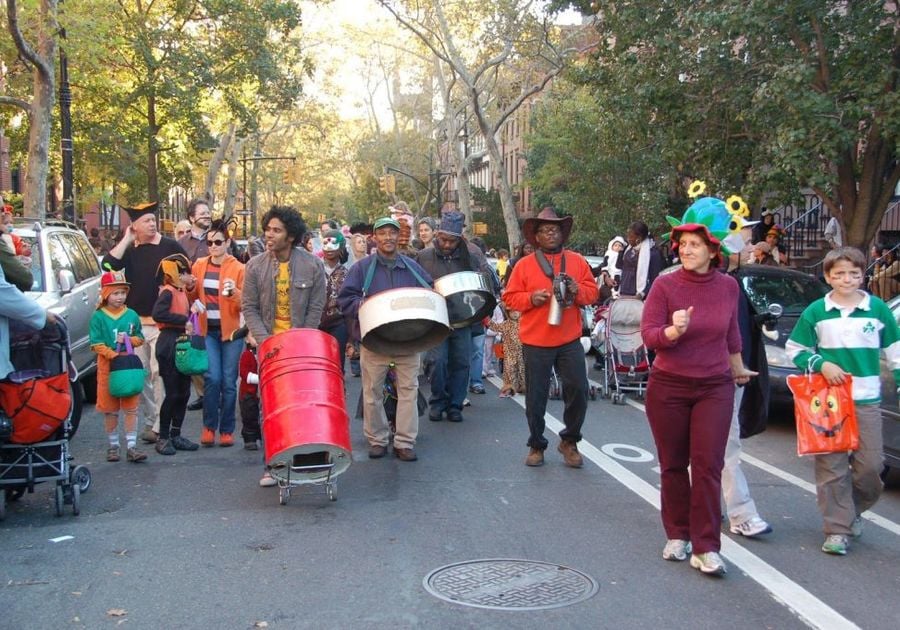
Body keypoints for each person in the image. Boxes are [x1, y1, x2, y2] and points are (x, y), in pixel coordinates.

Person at [640, 222, 756, 577]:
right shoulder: (665, 284)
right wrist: (674, 331)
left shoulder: (728, 287)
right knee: (673, 464)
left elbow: (732, 333)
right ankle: (677, 534)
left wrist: (738, 368)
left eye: (694, 245)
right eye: (683, 244)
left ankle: (706, 547)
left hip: (714, 387)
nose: (686, 250)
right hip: (669, 386)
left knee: (707, 466)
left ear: (712, 250)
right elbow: (649, 334)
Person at [785, 246, 900, 556]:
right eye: (839, 274)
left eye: (853, 273)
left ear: (862, 275)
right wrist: (822, 364)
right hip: (828, 402)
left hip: (866, 400)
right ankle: (837, 529)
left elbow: (895, 350)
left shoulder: (877, 310)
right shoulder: (816, 311)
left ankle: (851, 511)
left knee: (871, 468)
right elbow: (795, 349)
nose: (847, 279)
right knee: (832, 468)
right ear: (828, 276)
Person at [503, 207, 599, 467]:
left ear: (562, 234)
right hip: (536, 340)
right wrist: (531, 299)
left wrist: (577, 290)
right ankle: (536, 444)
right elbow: (509, 298)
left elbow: (593, 295)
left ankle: (569, 440)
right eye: (545, 230)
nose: (551, 234)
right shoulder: (524, 265)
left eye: (555, 229)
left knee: (579, 389)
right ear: (536, 237)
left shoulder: (577, 261)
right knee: (536, 396)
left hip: (569, 339)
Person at [242, 206, 326, 485]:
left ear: (290, 236)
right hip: (269, 349)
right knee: (271, 408)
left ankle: (307, 463)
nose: (269, 235)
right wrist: (266, 342)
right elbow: (249, 307)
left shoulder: (313, 265)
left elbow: (316, 307)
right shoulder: (254, 266)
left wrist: (302, 340)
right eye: (267, 229)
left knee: (304, 406)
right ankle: (273, 463)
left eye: (276, 230)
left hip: (301, 348)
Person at [338, 217, 433, 461]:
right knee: (372, 392)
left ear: (398, 237)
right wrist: (365, 305)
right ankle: (377, 439)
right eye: (383, 233)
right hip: (375, 340)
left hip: (408, 340)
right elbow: (345, 300)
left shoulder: (411, 266)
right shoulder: (361, 268)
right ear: (375, 238)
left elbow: (430, 292)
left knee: (408, 391)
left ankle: (404, 441)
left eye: (392, 233)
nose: (388, 237)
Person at [102, 202, 188, 444]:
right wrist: (127, 239)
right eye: (146, 221)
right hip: (135, 324)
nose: (152, 224)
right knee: (142, 376)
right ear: (134, 226)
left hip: (162, 324)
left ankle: (161, 425)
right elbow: (107, 265)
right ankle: (152, 419)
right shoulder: (129, 249)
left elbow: (187, 275)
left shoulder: (170, 246)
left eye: (153, 219)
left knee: (160, 373)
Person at [416, 211, 494, 422]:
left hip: (463, 317)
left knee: (461, 363)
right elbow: (416, 285)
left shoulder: (471, 256)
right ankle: (438, 401)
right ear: (437, 235)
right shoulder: (424, 257)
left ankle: (455, 405)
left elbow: (487, 281)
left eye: (452, 240)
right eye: (443, 239)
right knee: (438, 362)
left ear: (459, 239)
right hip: (436, 319)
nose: (447, 244)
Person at [187, 219, 245, 448]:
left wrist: (235, 293)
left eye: (218, 242)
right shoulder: (199, 265)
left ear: (228, 242)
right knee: (212, 379)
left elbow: (246, 303)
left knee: (229, 382)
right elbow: (191, 298)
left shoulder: (239, 268)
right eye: (210, 242)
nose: (213, 246)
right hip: (207, 331)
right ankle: (209, 426)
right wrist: (190, 288)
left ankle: (227, 429)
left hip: (231, 333)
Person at [89, 270, 147, 463]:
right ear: (105, 294)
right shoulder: (98, 316)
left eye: (123, 292)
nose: (120, 297)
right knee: (110, 408)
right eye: (115, 293)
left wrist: (129, 340)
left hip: (128, 364)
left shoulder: (131, 314)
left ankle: (132, 446)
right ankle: (113, 445)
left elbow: (140, 337)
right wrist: (111, 354)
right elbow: (95, 343)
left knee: (131, 406)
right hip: (108, 365)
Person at [151, 254, 201, 455]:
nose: (190, 276)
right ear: (177, 274)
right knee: (172, 393)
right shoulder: (168, 292)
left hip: (181, 342)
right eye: (187, 273)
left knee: (184, 392)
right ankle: (163, 437)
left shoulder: (181, 292)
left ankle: (176, 433)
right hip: (169, 343)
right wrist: (182, 320)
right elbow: (158, 314)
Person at [318, 229, 351, 374]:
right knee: (317, 363)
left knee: (337, 365)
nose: (329, 249)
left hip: (338, 322)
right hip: (315, 323)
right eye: (325, 243)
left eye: (334, 244)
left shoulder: (348, 272)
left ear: (341, 248)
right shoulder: (314, 268)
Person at [618, 221, 664, 299]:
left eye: (631, 237)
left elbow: (655, 280)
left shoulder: (652, 254)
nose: (628, 239)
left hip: (640, 296)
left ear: (638, 238)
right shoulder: (628, 250)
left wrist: (642, 294)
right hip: (624, 293)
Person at [488, 304, 525, 398]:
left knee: (523, 370)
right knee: (509, 370)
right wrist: (487, 321)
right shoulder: (506, 324)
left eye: (517, 311)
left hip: (523, 351)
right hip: (509, 352)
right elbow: (496, 327)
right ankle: (508, 389)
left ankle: (523, 387)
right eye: (512, 312)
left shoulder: (524, 323)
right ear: (508, 313)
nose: (515, 314)